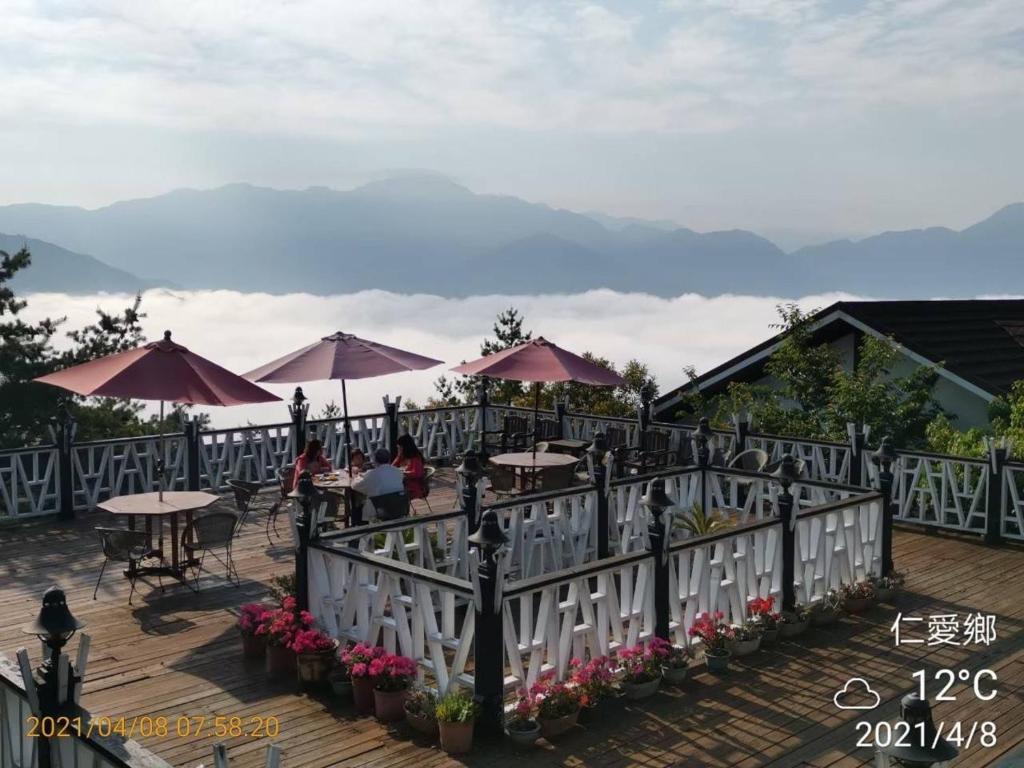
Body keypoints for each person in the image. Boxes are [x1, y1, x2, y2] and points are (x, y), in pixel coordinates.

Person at [352, 448, 406, 521]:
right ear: (389, 459)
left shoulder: (372, 474)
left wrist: (357, 476)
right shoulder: (398, 472)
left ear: (375, 461)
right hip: (398, 509)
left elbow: (355, 486)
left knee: (358, 506)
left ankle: (357, 528)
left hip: (379, 511)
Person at [393, 434, 426, 499]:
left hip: (413, 485)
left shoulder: (415, 458)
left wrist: (403, 472)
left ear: (404, 447)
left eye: (399, 447)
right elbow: (392, 467)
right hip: (403, 483)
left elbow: (416, 473)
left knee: (390, 492)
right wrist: (398, 456)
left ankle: (401, 508)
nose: (398, 448)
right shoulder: (402, 456)